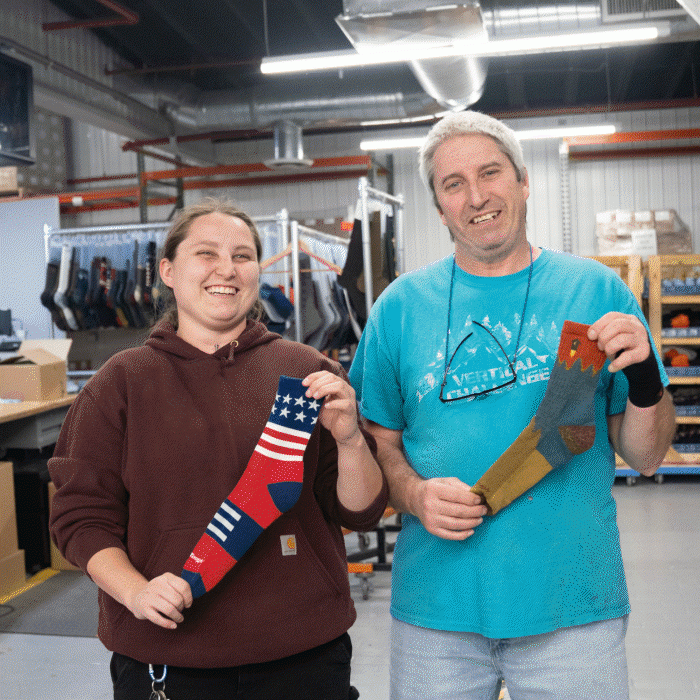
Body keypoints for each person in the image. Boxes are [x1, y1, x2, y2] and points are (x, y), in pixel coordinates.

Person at [349, 110, 676, 699]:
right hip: (437, 609)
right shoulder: (399, 308)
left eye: (490, 173)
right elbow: (379, 449)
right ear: (440, 204)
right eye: (454, 185)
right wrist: (416, 495)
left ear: (523, 181)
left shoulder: (594, 290)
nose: (477, 196)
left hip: (574, 603)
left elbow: (647, 457)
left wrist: (648, 381)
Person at [49, 198, 388, 700]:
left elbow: (359, 513)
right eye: (206, 254)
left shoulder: (305, 372)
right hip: (168, 657)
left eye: (243, 256)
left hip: (303, 654)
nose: (226, 270)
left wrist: (350, 438)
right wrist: (135, 592)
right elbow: (80, 517)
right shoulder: (119, 383)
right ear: (167, 270)